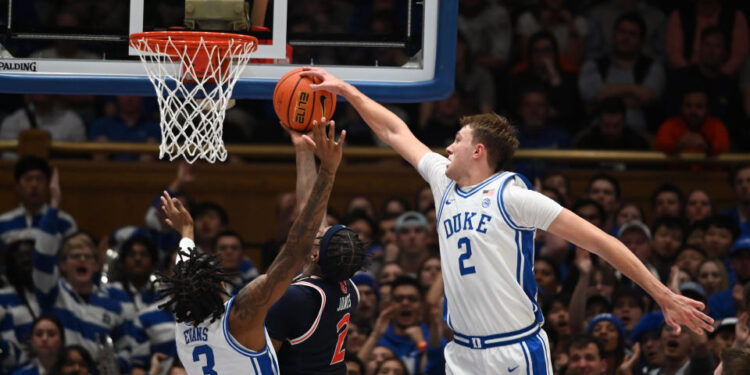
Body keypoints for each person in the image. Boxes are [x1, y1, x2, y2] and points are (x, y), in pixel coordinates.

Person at [301, 67, 713, 374]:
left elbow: (602, 242)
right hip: (461, 352)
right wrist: (346, 90)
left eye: (457, 141)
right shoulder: (442, 184)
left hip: (514, 351)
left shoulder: (514, 197)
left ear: (478, 151)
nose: (447, 147)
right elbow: (394, 131)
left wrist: (661, 294)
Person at [158, 121, 344, 374]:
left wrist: (187, 233)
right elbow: (296, 248)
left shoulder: (182, 317)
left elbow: (184, 275)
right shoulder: (241, 316)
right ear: (222, 285)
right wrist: (328, 171)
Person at [265, 122, 366, 374]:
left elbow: (263, 364)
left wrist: (327, 169)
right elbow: (311, 213)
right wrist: (303, 151)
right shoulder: (349, 287)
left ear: (314, 254)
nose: (318, 229)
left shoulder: (296, 299)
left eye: (321, 236)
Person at [0, 158, 76, 250]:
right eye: (28, 179)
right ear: (17, 186)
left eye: (39, 179)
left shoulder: (65, 222)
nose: (34, 184)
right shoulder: (3, 222)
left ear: (48, 185)